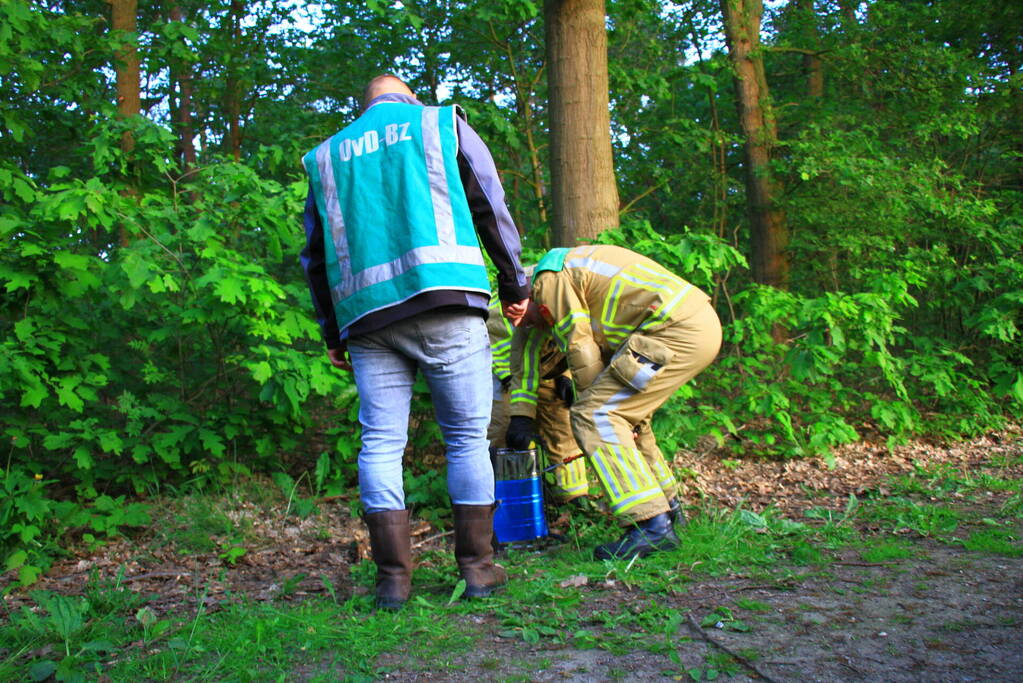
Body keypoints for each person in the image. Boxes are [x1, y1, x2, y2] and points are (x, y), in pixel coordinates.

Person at [300, 74, 530, 609]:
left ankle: (393, 583)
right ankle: (478, 570)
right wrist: (514, 283)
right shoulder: (438, 123)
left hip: (366, 318)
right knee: (466, 438)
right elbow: (487, 201)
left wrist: (332, 330)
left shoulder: (327, 156)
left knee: (381, 443)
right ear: (408, 97)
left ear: (366, 105)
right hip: (445, 299)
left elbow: (315, 254)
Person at [506, 244, 721, 560]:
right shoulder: (565, 276)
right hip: (693, 324)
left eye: (522, 318)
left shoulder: (548, 280)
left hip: (672, 330)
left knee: (595, 415)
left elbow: (580, 346)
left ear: (525, 297)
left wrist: (589, 399)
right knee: (629, 419)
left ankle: (650, 526)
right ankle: (669, 510)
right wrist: (522, 414)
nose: (524, 326)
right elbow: (530, 359)